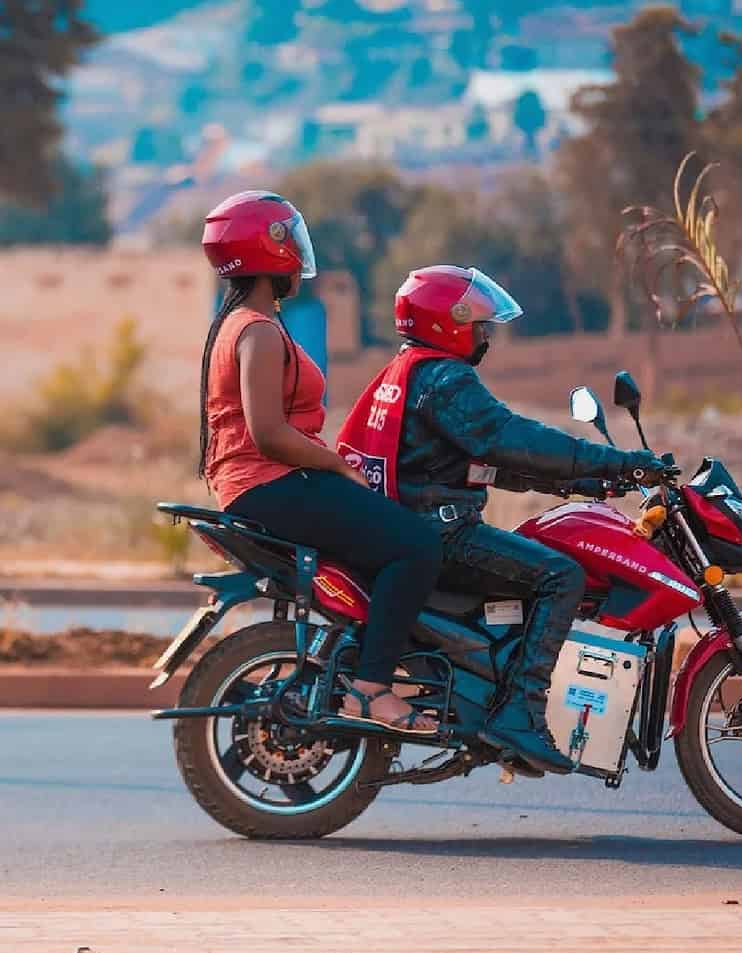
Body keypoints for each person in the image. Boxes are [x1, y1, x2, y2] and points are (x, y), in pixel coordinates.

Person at [336, 265, 670, 774]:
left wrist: (576, 483)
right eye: (480, 325)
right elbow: (509, 438)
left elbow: (478, 462)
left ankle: (494, 689)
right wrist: (619, 462)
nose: (486, 335)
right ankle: (520, 713)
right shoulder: (446, 378)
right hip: (442, 532)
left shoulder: (409, 370)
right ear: (449, 322)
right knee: (562, 575)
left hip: (412, 523)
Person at [200, 190, 442, 734]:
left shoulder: (241, 324)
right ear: (271, 251)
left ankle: (379, 661)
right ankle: (372, 687)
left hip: (259, 482)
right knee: (418, 544)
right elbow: (268, 433)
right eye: (292, 239)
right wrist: (335, 466)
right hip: (268, 484)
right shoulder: (257, 332)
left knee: (386, 538)